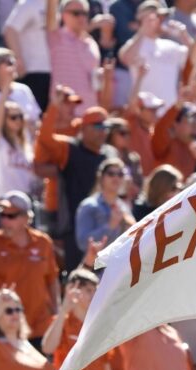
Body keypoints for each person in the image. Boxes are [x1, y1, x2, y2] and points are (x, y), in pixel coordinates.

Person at [35, 87, 118, 269]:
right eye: (97, 126)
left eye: (106, 127)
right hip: (75, 229)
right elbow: (46, 139)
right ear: (84, 128)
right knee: (78, 275)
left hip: (105, 225)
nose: (102, 132)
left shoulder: (110, 154)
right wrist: (54, 107)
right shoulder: (70, 149)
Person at [0, 191, 60, 346]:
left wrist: (56, 312)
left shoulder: (44, 243)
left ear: (27, 218)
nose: (5, 221)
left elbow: (52, 280)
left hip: (41, 327)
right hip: (6, 330)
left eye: (11, 216)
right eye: (2, 215)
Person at [42, 269, 115, 370]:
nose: (93, 295)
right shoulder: (62, 322)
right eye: (88, 290)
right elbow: (48, 347)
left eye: (95, 291)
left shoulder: (98, 326)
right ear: (74, 290)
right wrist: (63, 310)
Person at [118, 0, 189, 111]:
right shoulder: (136, 44)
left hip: (170, 115)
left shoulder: (171, 45)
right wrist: (143, 30)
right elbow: (125, 58)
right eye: (157, 17)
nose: (161, 21)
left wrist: (184, 36)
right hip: (145, 115)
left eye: (163, 17)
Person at [0, 71, 38, 198]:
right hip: (6, 199)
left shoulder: (26, 144)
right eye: (13, 117)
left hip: (27, 199)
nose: (18, 120)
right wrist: (5, 89)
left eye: (20, 116)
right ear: (4, 119)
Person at [46, 0, 101, 113]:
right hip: (64, 112)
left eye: (84, 13)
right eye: (76, 13)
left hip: (88, 111)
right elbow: (50, 17)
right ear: (63, 15)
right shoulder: (57, 38)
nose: (81, 17)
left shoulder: (92, 44)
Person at [75, 158, 135, 256]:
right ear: (101, 177)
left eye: (120, 174)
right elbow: (82, 243)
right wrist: (109, 226)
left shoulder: (124, 207)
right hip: (95, 267)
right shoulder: (88, 206)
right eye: (111, 173)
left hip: (120, 266)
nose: (116, 178)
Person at [0, 47, 41, 134]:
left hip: (25, 145)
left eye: (14, 61)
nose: (14, 66)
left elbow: (36, 120)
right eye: (10, 62)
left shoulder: (23, 89)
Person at [3, 0, 52, 110]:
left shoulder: (56, 5)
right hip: (32, 71)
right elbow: (10, 30)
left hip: (52, 72)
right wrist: (18, 58)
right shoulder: (29, 3)